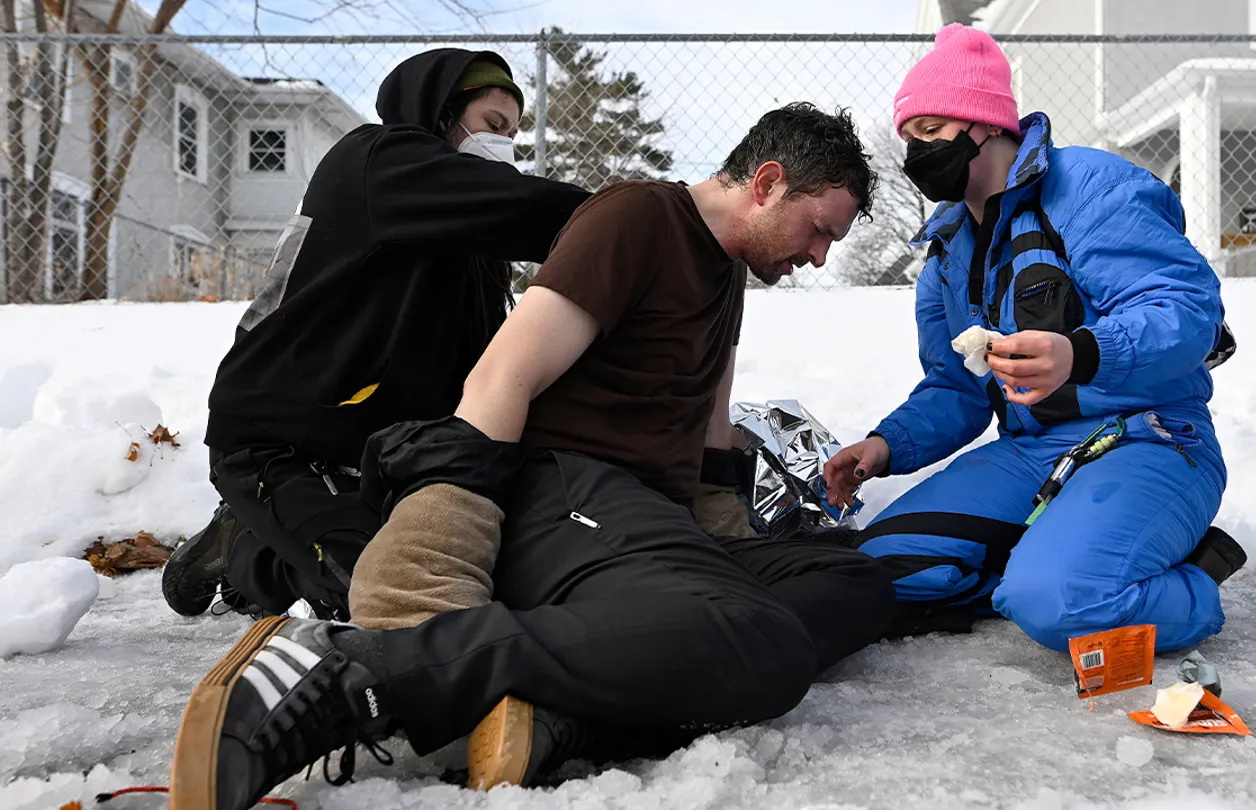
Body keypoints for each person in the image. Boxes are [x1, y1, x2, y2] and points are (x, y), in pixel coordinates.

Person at [166, 103, 898, 810]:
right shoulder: (637, 217)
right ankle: (351, 669)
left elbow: (709, 430)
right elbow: (503, 375)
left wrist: (724, 536)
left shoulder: (724, 270)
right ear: (768, 182)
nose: (818, 256)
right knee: (760, 642)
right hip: (565, 496)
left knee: (850, 580)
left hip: (642, 525)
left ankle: (561, 706)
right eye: (818, 230)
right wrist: (437, 551)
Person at [822, 23, 1247, 655]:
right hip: (1032, 454)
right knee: (877, 566)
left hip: (1149, 439)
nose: (916, 153)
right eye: (909, 137)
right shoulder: (945, 252)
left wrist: (1082, 352)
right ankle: (1048, 557)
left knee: (1059, 602)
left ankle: (1188, 578)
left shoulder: (1091, 189)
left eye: (931, 132)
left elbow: (1187, 310)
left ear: (985, 122)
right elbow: (956, 387)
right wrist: (886, 445)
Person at [160, 48, 590, 622]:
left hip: (375, 453)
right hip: (279, 440)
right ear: (441, 113)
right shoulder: (379, 160)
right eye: (492, 126)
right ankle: (242, 545)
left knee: (473, 568)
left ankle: (278, 544)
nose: (504, 146)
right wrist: (644, 218)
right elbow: (530, 210)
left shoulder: (466, 244)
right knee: (381, 590)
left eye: (513, 133)